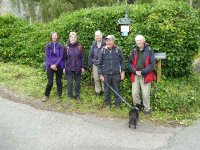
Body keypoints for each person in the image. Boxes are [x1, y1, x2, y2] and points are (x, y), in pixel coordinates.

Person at [128, 34, 156, 115]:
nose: (138, 42)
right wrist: (134, 71)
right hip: (136, 74)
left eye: (139, 40)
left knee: (145, 93)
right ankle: (138, 107)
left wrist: (143, 72)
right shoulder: (134, 50)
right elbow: (130, 63)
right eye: (137, 41)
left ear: (143, 41)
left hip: (146, 74)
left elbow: (152, 64)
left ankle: (147, 109)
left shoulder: (149, 50)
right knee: (134, 93)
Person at [98, 35, 125, 109]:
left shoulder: (118, 49)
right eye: (107, 40)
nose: (108, 42)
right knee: (106, 91)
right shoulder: (103, 50)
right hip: (106, 74)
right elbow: (99, 63)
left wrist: (123, 72)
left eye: (110, 40)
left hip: (116, 74)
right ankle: (107, 104)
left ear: (113, 41)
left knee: (117, 90)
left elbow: (122, 61)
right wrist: (100, 74)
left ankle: (117, 104)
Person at [63, 32, 85, 101]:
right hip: (69, 68)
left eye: (74, 37)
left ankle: (77, 95)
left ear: (76, 38)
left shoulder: (79, 47)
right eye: (71, 37)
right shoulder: (66, 47)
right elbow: (63, 58)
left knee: (77, 83)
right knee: (69, 82)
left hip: (77, 67)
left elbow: (82, 58)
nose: (73, 38)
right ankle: (70, 95)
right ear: (69, 38)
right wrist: (63, 67)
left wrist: (83, 67)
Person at [43, 31, 64, 102]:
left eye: (56, 35)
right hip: (50, 65)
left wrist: (55, 65)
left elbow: (61, 56)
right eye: (53, 35)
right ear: (51, 37)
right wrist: (51, 65)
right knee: (50, 82)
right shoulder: (48, 45)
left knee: (59, 81)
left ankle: (59, 96)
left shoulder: (60, 46)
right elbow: (47, 56)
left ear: (57, 37)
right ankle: (46, 95)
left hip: (59, 66)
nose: (54, 37)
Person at [88, 30, 106, 96]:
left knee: (103, 78)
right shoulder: (93, 44)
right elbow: (90, 54)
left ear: (101, 35)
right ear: (95, 37)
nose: (97, 37)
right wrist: (90, 64)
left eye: (99, 35)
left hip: (103, 64)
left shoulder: (105, 43)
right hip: (95, 64)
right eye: (96, 36)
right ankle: (98, 91)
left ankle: (104, 91)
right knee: (96, 78)